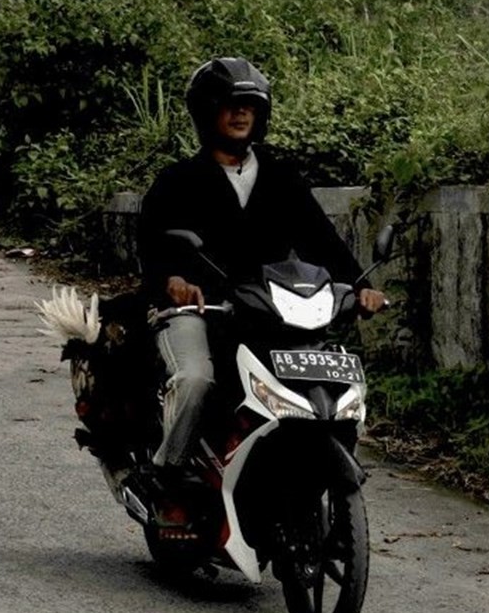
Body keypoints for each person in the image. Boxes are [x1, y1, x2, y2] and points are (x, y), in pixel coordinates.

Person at [137, 55, 386, 491]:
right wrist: (172, 281)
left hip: (266, 309)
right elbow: (154, 246)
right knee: (196, 379)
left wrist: (361, 286)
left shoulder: (281, 177)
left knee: (322, 378)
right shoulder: (177, 181)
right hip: (200, 308)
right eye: (229, 104)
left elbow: (321, 240)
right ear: (206, 112)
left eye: (249, 106)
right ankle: (170, 478)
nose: (240, 113)